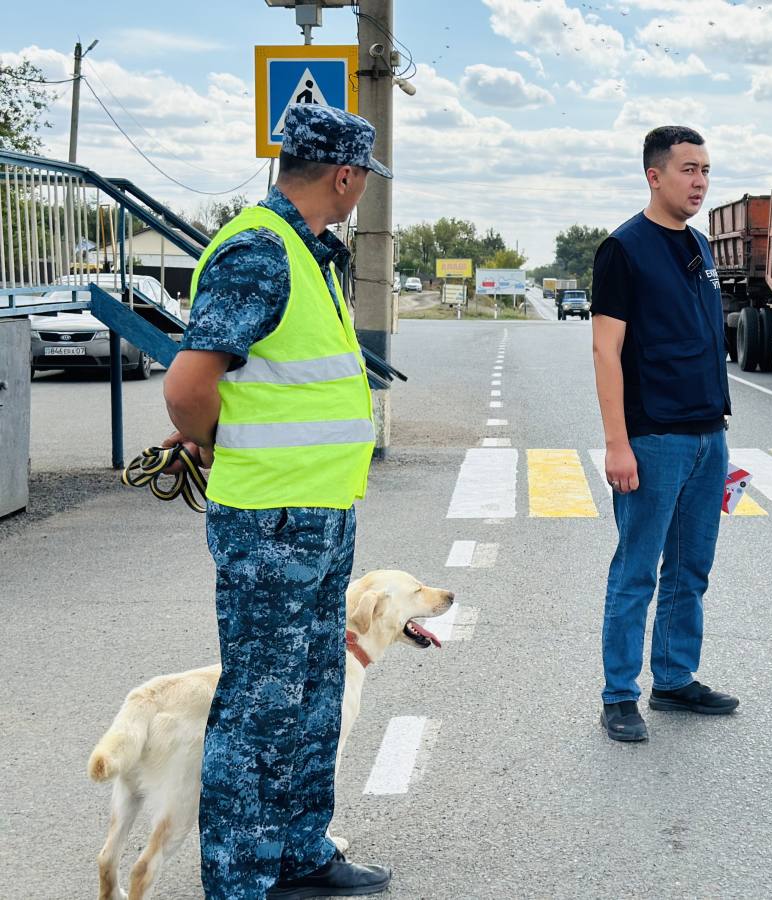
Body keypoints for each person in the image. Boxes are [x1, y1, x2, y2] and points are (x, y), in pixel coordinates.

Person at [160, 104, 392, 899]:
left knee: (314, 692)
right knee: (260, 706)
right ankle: (240, 880)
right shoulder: (260, 250)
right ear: (344, 176)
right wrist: (210, 442)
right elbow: (188, 386)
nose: (363, 189)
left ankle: (298, 855)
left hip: (316, 512)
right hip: (272, 521)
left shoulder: (306, 249)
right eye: (364, 177)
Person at [590, 125, 738, 743]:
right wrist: (617, 443)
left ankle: (674, 679)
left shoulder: (700, 246)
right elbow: (606, 350)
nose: (700, 182)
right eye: (687, 170)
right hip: (653, 439)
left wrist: (717, 433)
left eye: (705, 170)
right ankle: (619, 695)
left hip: (707, 435)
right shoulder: (623, 249)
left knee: (691, 569)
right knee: (637, 571)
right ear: (654, 176)